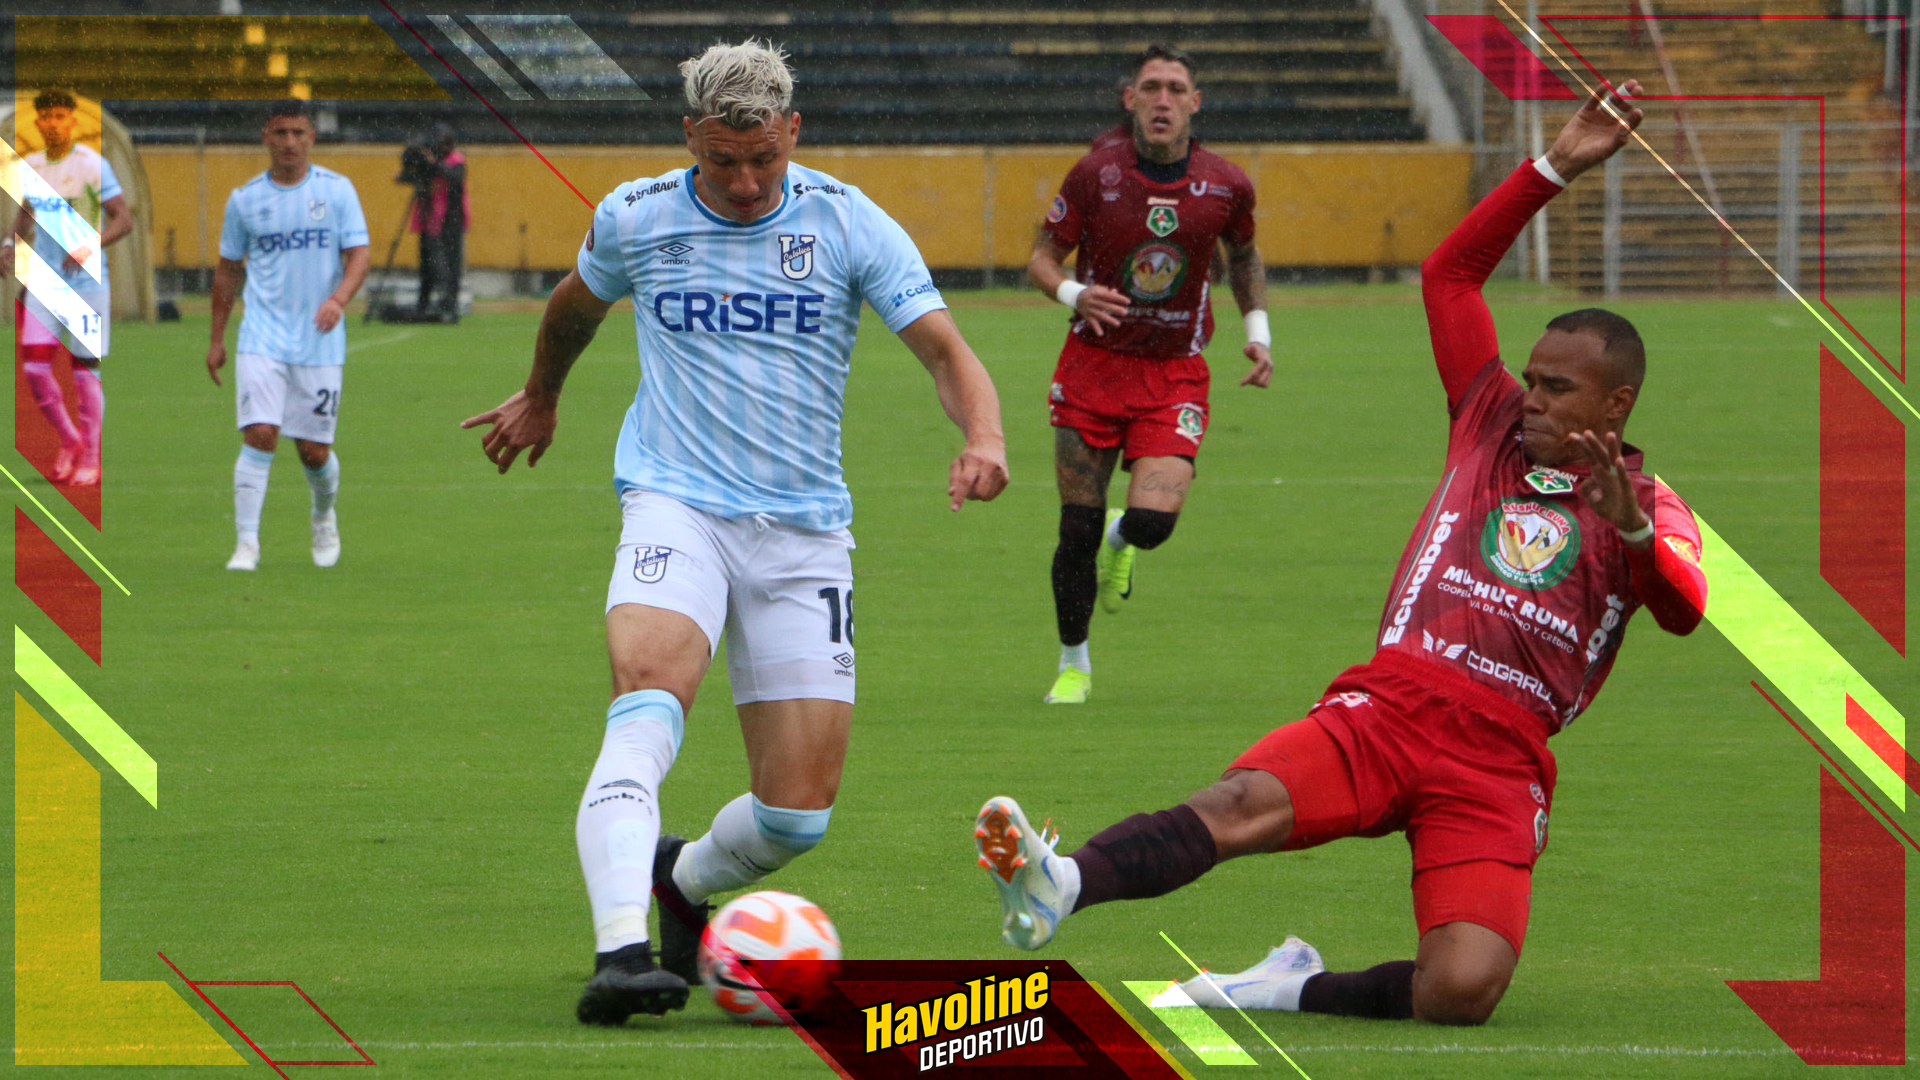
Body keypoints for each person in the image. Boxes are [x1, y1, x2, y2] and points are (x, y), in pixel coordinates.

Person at [976, 82, 1713, 1026]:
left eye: (1557, 389)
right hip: (1395, 704)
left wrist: (1636, 533)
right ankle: (1061, 882)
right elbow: (1450, 275)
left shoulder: (1653, 505)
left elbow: (1685, 609)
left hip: (1503, 759)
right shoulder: (1485, 421)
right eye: (1529, 379)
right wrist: (1554, 166)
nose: (1529, 397)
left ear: (1615, 406)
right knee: (1242, 803)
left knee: (1461, 992)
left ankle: (1285, 984)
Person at [461, 40, 1009, 1026]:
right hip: (677, 503)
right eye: (724, 162)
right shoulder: (637, 217)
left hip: (803, 535)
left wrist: (985, 434)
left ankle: (683, 878)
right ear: (691, 141)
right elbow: (571, 310)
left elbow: (943, 350)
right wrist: (541, 399)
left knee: (796, 815)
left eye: (764, 159)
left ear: (792, 130)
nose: (748, 182)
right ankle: (621, 950)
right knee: (647, 696)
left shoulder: (847, 223)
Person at [1031, 44, 1272, 705]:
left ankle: (1124, 534)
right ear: (1129, 100)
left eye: (1175, 89)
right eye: (1151, 88)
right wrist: (1074, 296)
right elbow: (1042, 259)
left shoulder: (1225, 184)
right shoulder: (1094, 175)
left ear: (1195, 103)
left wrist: (1258, 335)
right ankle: (1073, 665)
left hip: (1174, 374)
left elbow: (1245, 259)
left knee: (1153, 525)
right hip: (1092, 367)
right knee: (1073, 531)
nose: (1163, 99)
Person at [207, 99, 371, 572]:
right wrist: (217, 340)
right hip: (260, 335)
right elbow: (227, 272)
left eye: (298, 133)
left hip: (319, 340)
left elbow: (359, 254)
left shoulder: (337, 192)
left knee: (313, 450)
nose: (289, 143)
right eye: (280, 133)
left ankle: (323, 516)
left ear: (312, 138)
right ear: (265, 137)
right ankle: (247, 544)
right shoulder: (245, 200)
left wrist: (338, 298)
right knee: (260, 433)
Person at [4, 87, 133, 487]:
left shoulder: (93, 166)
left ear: (72, 121)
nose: (55, 123)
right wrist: (10, 244)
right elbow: (26, 214)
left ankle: (91, 457)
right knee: (35, 369)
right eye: (48, 117)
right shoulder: (34, 166)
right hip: (44, 282)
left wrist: (87, 246)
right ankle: (70, 440)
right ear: (39, 123)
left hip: (89, 283)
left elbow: (123, 219)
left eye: (62, 116)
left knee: (84, 370)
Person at [410, 123, 467, 323]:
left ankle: (449, 305)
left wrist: (434, 164)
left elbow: (455, 178)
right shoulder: (432, 162)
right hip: (430, 219)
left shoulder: (456, 161)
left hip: (451, 221)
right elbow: (413, 177)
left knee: (450, 266)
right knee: (427, 264)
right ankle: (423, 303)